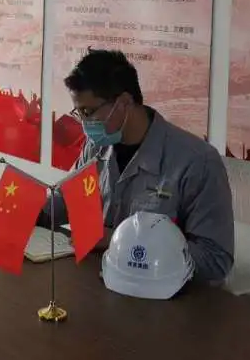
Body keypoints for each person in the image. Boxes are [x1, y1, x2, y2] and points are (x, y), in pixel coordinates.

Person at [42, 49, 235, 282]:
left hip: (164, 292)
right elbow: (67, 200)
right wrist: (30, 209)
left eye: (88, 112)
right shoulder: (96, 147)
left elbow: (215, 259)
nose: (84, 123)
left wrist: (118, 241)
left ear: (124, 102)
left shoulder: (196, 162)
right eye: (79, 112)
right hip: (103, 278)